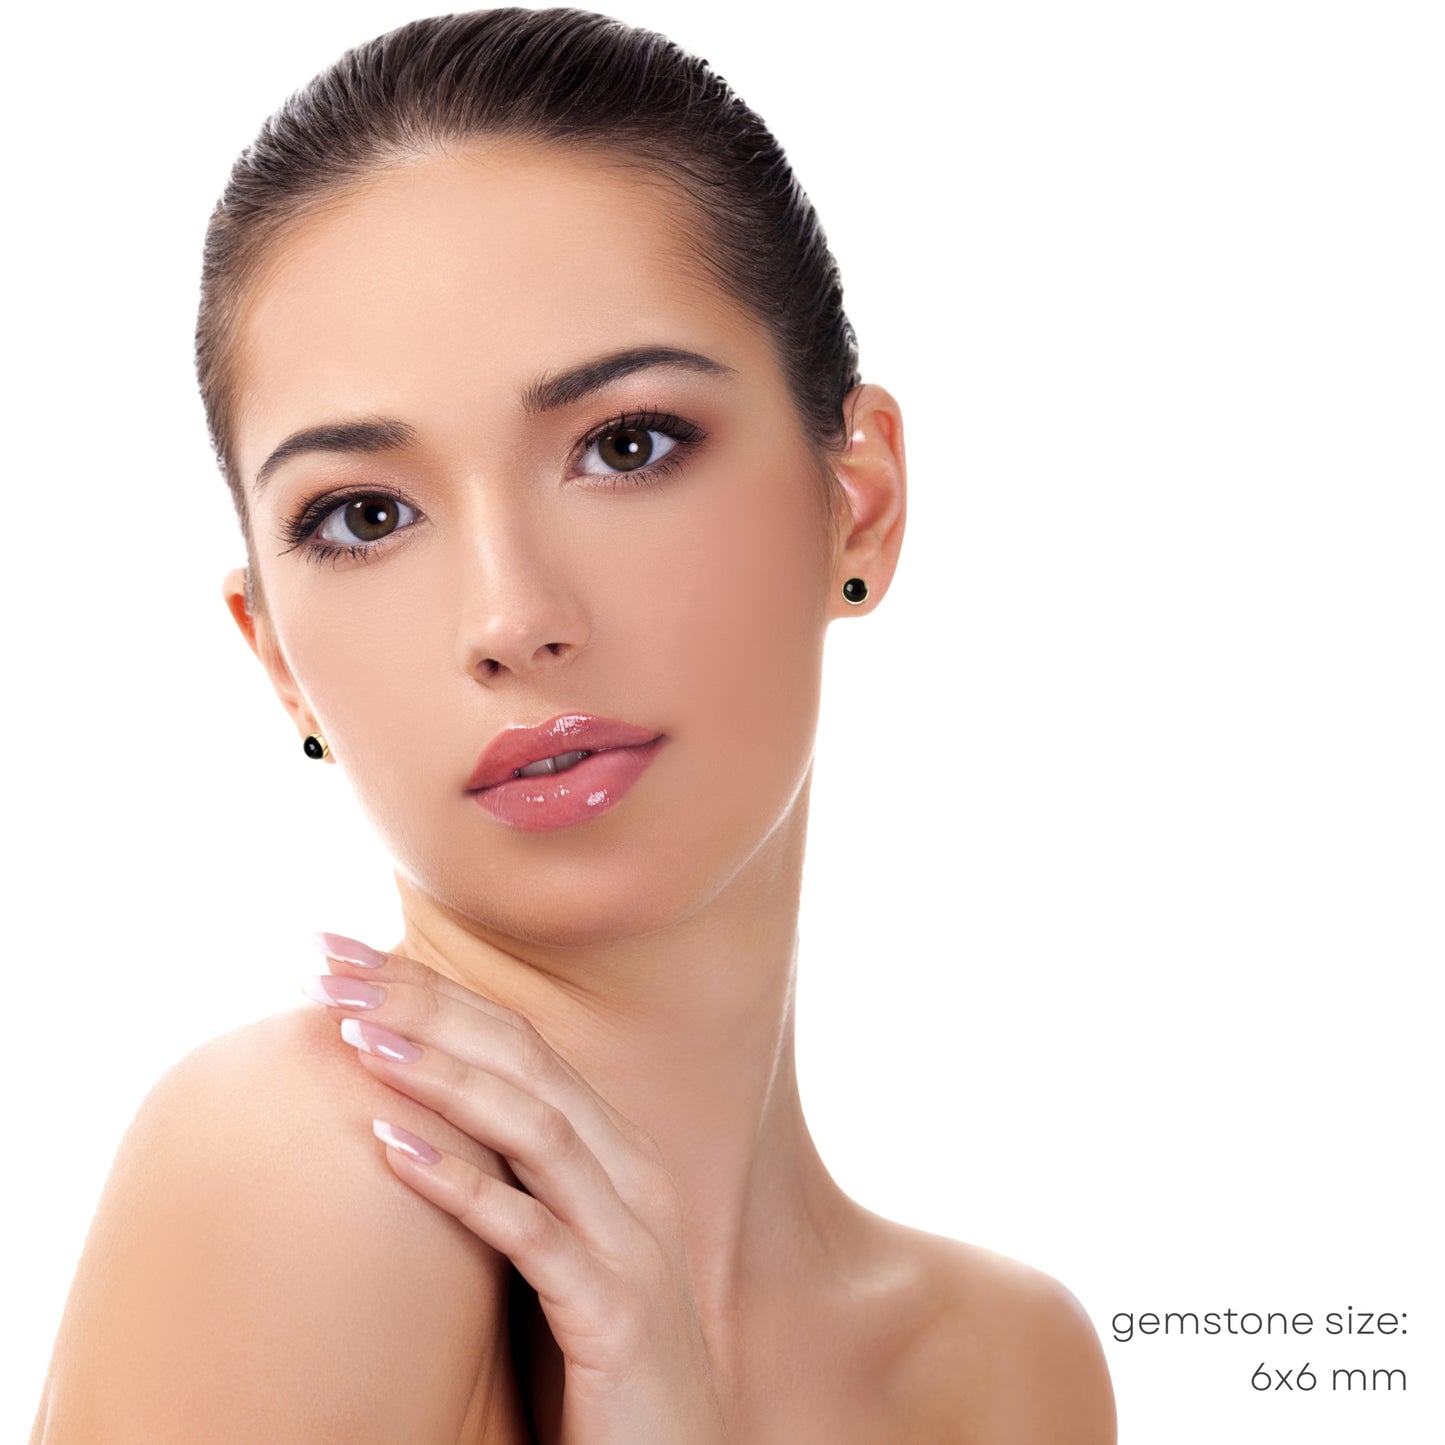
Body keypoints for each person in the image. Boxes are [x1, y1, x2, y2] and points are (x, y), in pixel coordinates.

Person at [30, 8, 1116, 1441]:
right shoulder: (315, 1173)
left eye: (625, 444)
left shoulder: (1011, 1365)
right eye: (365, 517)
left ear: (857, 505)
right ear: (276, 656)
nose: (511, 615)